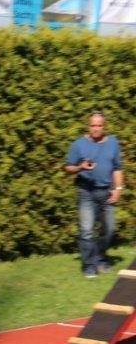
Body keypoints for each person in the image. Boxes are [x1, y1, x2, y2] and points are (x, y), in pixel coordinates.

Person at [64, 112, 124, 278]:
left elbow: (117, 167)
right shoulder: (78, 145)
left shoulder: (113, 143)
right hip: (86, 193)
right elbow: (68, 167)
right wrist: (80, 167)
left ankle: (100, 259)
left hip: (106, 192)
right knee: (87, 231)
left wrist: (118, 189)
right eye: (93, 125)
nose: (96, 128)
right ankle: (89, 266)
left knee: (109, 229)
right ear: (88, 126)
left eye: (99, 125)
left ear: (104, 126)